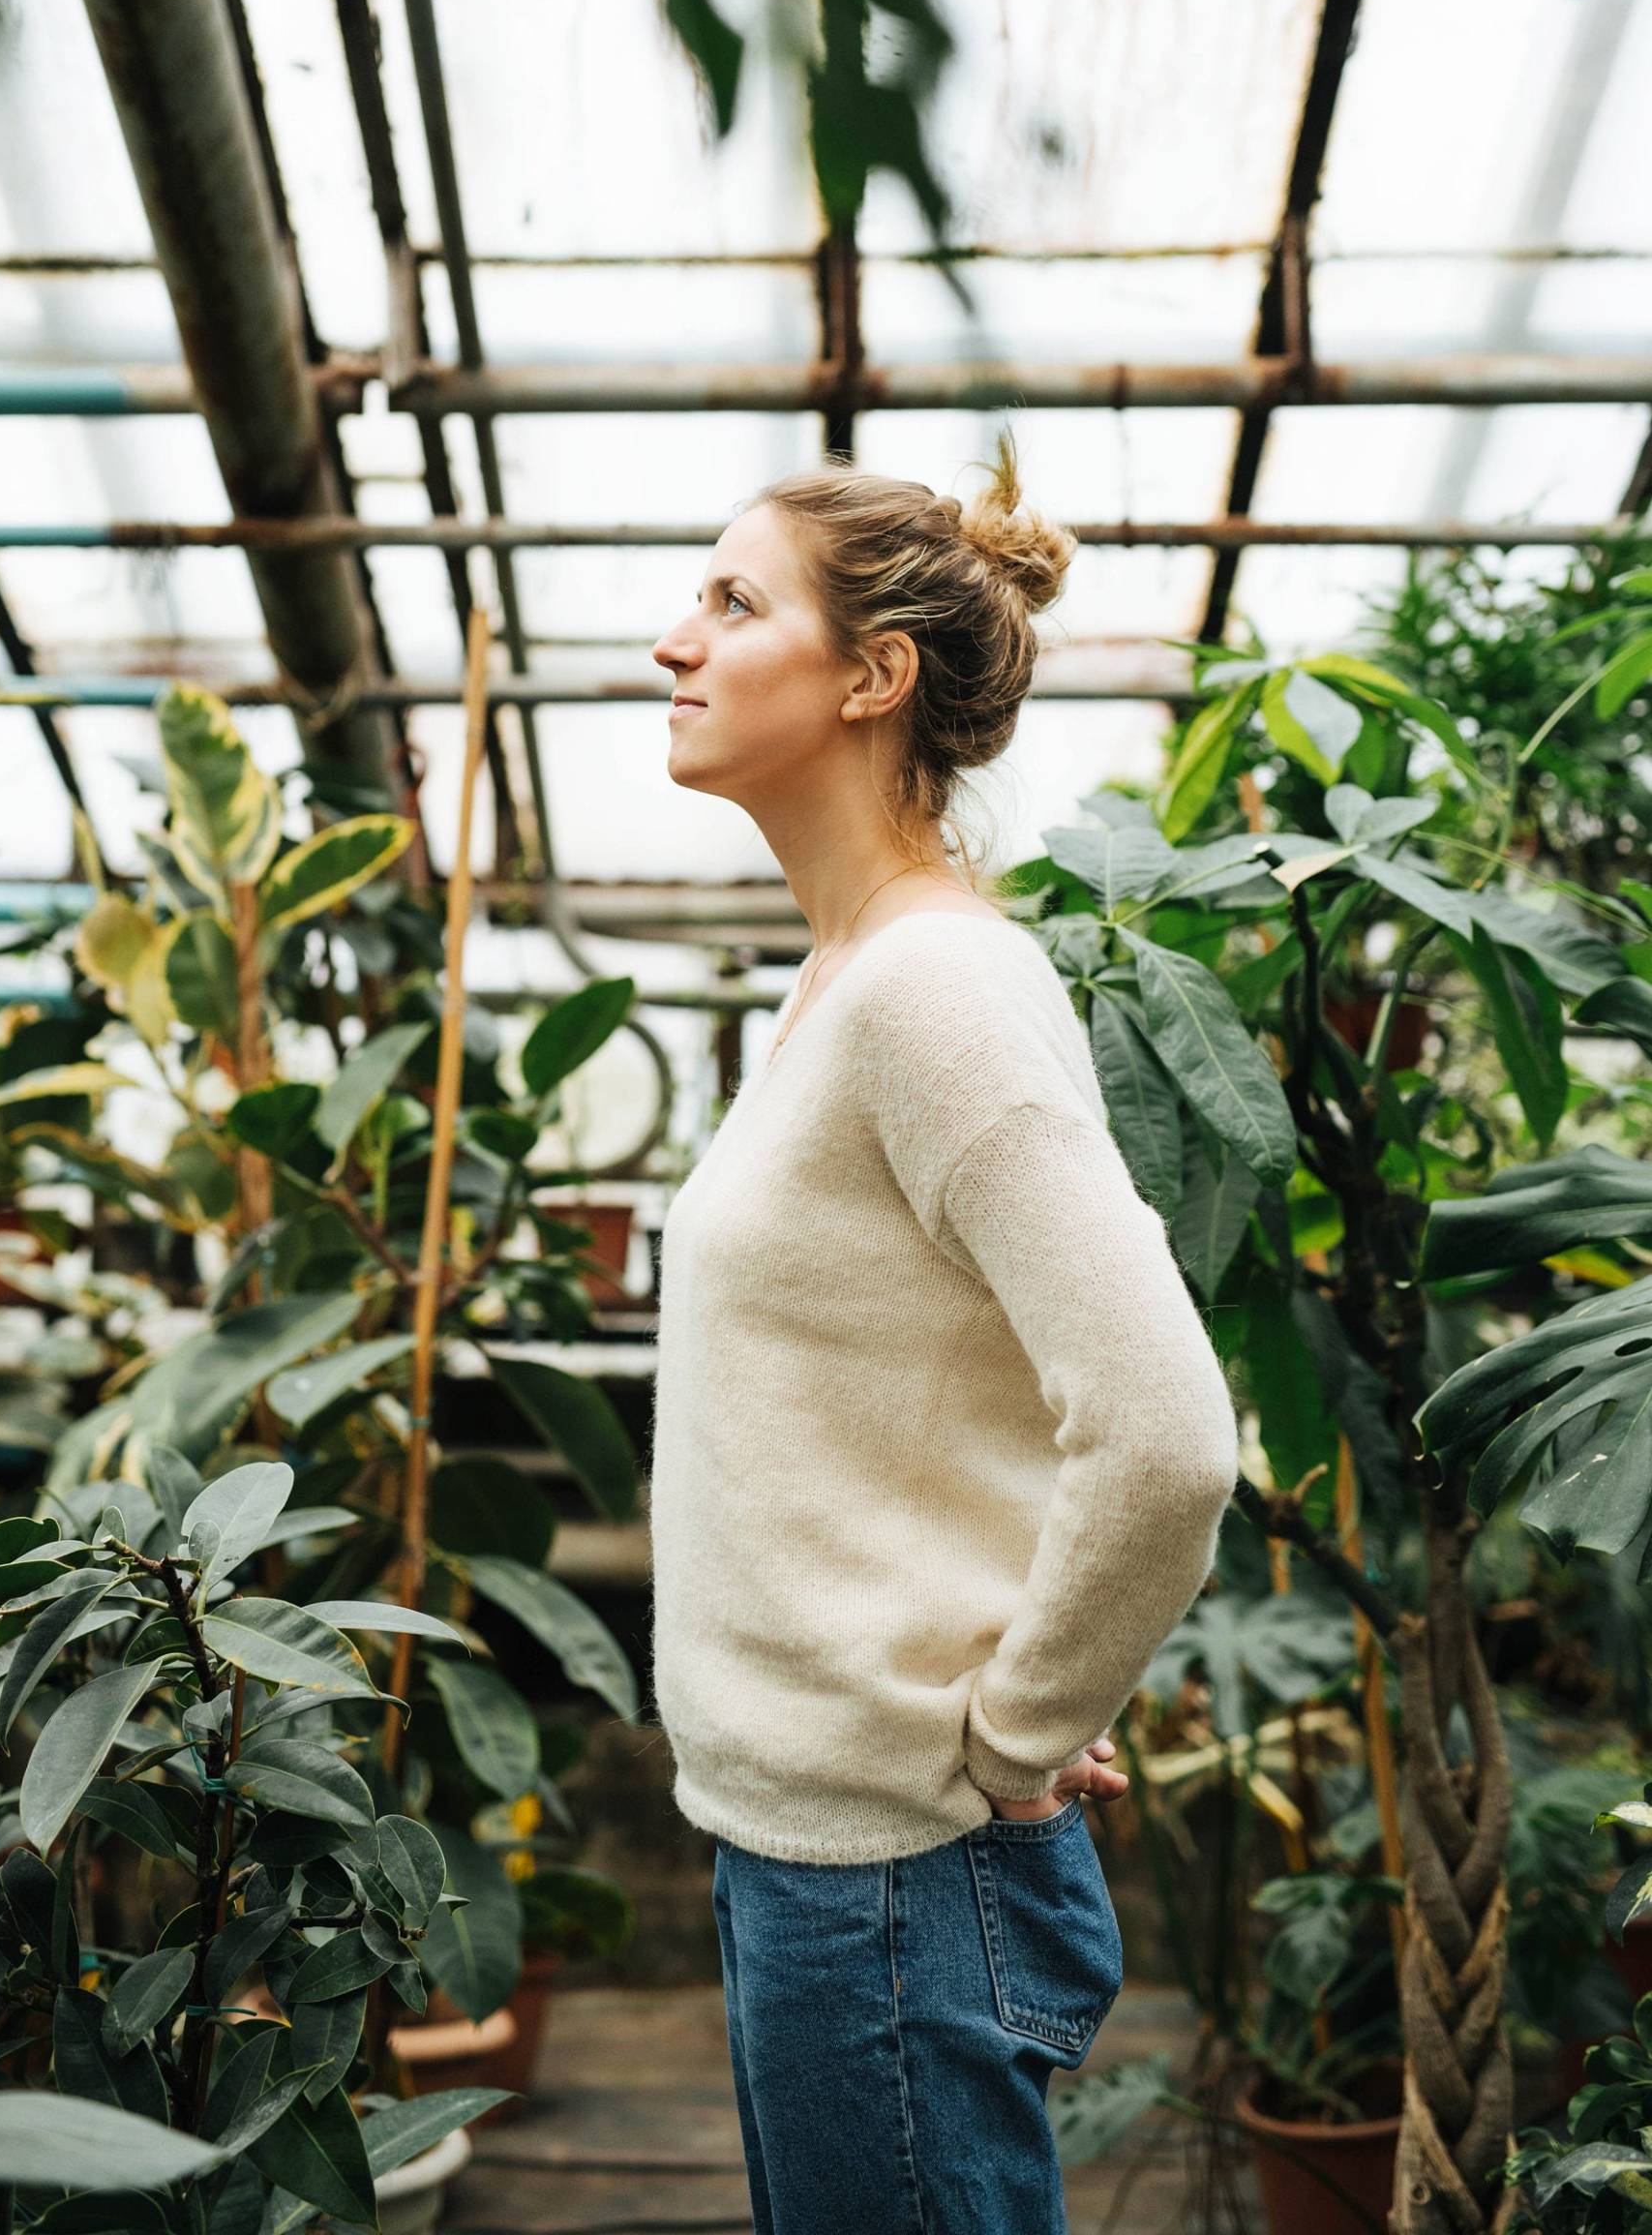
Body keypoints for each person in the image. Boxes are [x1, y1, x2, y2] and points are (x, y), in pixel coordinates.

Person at [645, 434, 1241, 2235]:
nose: (674, 641)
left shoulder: (937, 993)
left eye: (734, 601)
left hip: (892, 1875)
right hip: (819, 1856)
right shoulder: (845, 980)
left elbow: (1164, 1431)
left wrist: (1010, 1728)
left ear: (870, 677)